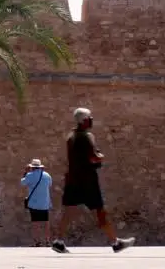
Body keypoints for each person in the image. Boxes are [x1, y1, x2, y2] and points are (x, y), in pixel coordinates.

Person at [50, 107, 135, 254]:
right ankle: (115, 242)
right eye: (90, 118)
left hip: (73, 178)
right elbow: (93, 157)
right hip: (87, 180)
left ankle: (59, 240)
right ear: (84, 121)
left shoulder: (71, 136)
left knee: (69, 210)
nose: (91, 120)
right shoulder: (86, 136)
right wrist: (100, 157)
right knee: (100, 211)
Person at [20, 158, 53, 246]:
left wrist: (25, 172)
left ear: (32, 167)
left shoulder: (30, 175)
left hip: (34, 203)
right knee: (46, 222)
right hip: (45, 202)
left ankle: (37, 241)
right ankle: (47, 241)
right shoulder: (47, 175)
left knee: (35, 223)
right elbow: (50, 185)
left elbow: (22, 183)